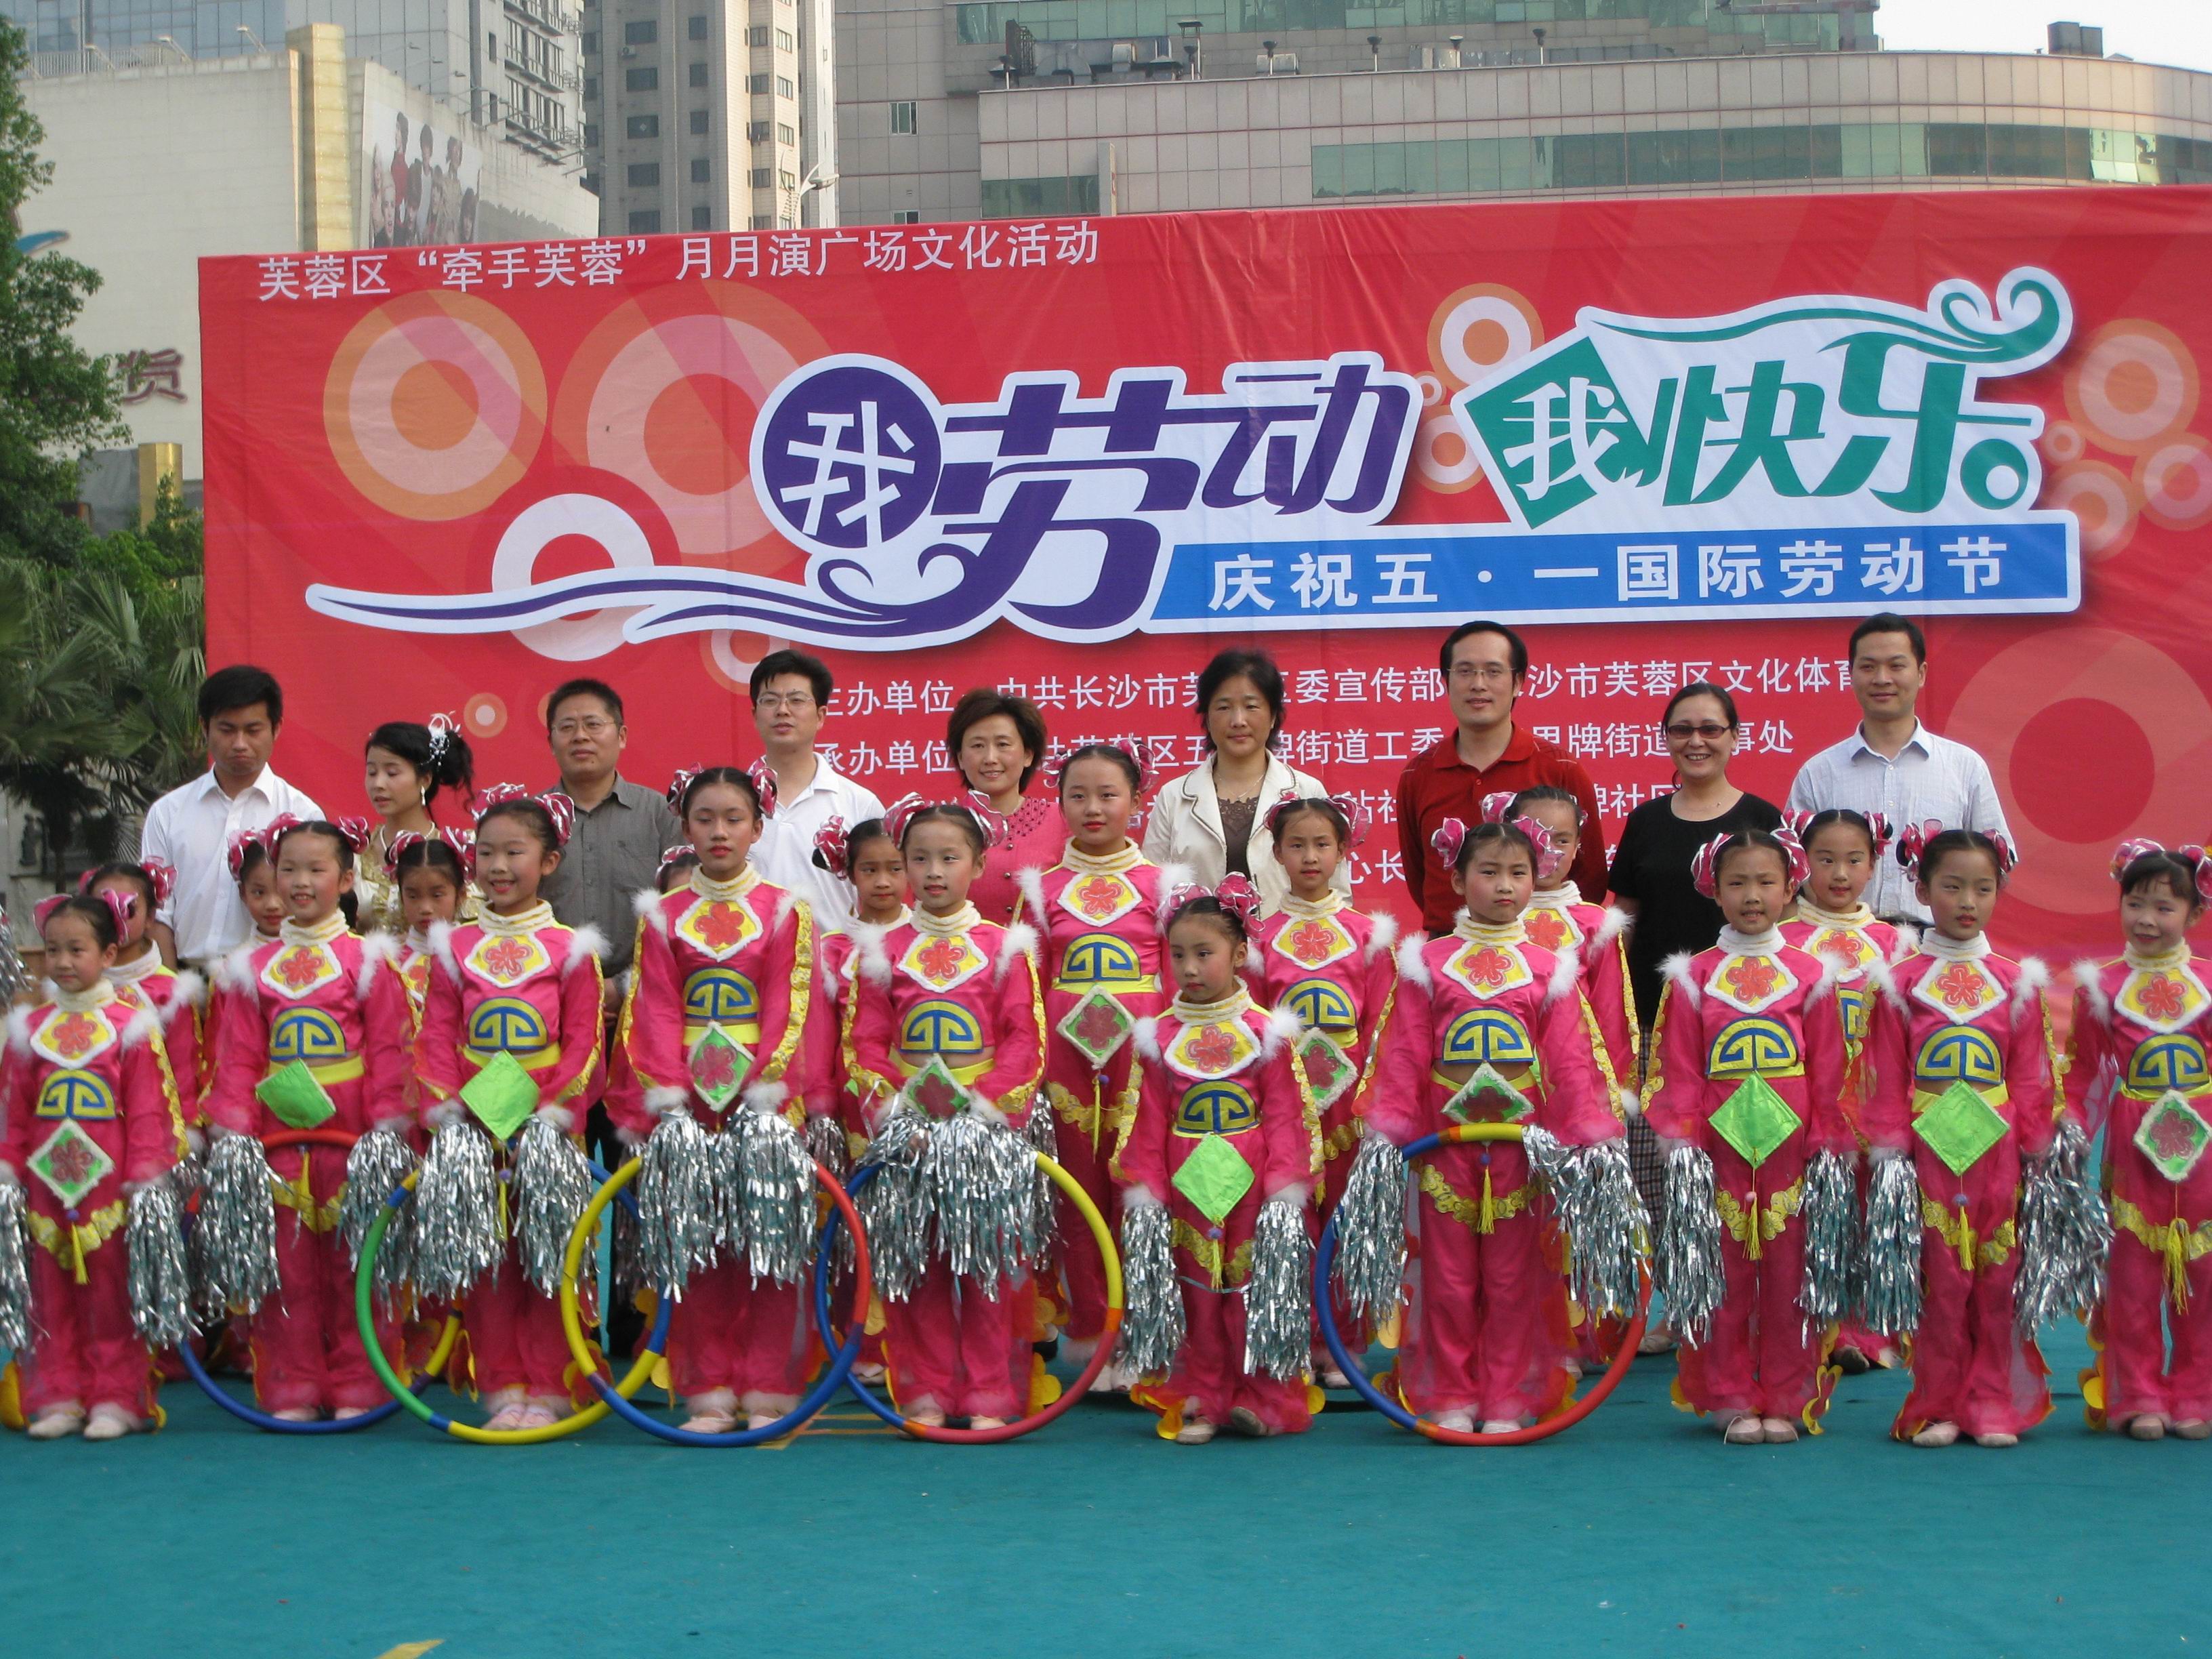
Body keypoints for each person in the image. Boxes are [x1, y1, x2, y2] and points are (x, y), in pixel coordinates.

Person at [1368, 815, 1623, 1433]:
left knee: (1514, 1280)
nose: (1504, 886)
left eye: (1518, 873)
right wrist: (1389, 1133)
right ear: (1458, 881)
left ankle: (1508, 1398)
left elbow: (1569, 1058)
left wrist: (1587, 1135)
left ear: (1536, 880)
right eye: (1489, 872)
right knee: (1449, 1280)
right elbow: (1404, 1051)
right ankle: (1451, 1394)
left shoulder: (1550, 966)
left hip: (1522, 1151)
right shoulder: (1426, 962)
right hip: (1443, 1148)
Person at [613, 766, 819, 1435]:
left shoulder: (786, 910)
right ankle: (708, 1390)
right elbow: (653, 1010)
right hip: (688, 1105)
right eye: (705, 819)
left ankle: (767, 1386)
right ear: (686, 828)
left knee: (767, 1246)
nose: (720, 831)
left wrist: (763, 1090)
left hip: (764, 1102)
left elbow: (790, 1008)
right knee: (697, 1247)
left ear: (758, 828)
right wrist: (674, 1096)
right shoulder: (663, 914)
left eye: (734, 818)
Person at [1643, 825, 1849, 1444]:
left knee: (1790, 1277)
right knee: (1724, 1275)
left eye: (1765, 882)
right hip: (1717, 1151)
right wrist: (1686, 1145)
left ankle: (1787, 1395)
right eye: (1737, 883)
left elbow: (1831, 1068)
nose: (1752, 896)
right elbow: (1677, 1068)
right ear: (1714, 890)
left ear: (1790, 889)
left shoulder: (1813, 974)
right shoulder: (1692, 976)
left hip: (1794, 1152)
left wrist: (1826, 1144)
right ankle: (1730, 1394)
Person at [845, 798, 1045, 1430]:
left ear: (978, 865)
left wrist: (978, 1113)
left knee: (986, 1264)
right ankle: (927, 1389)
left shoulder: (1005, 947)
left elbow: (1023, 1042)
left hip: (981, 1132)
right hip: (910, 1132)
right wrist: (901, 1112)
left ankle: (989, 1392)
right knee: (919, 1265)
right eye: (920, 859)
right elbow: (866, 1043)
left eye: (950, 858)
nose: (934, 872)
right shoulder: (883, 949)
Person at [205, 820, 413, 1422]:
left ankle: (360, 1384)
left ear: (345, 880)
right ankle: (292, 1384)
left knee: (356, 1262)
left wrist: (383, 1130)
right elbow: (238, 1056)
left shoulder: (368, 960)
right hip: (277, 1140)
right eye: (288, 869)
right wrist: (236, 1133)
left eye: (315, 870)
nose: (299, 882)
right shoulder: (249, 968)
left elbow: (389, 1051)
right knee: (287, 1266)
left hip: (352, 1136)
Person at [1862, 825, 2059, 1448]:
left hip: (1998, 1154)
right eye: (1952, 887)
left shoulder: (2016, 980)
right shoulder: (1898, 981)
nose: (1967, 902)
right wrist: (1893, 1154)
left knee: (1997, 1280)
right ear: (1922, 891)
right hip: (1928, 1152)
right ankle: (1940, 1402)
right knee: (1941, 1281)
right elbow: (1884, 1074)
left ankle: (1993, 1401)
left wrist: (2037, 1152)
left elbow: (2030, 1076)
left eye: (1983, 888)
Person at [415, 788, 605, 1431]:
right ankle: (502, 1385)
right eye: (486, 852)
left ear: (548, 861)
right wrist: (452, 1112)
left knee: (549, 1256)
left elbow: (583, 1046)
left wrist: (550, 1116)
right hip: (474, 1129)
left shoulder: (572, 948)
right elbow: (436, 1038)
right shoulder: (453, 947)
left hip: (547, 1130)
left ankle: (550, 1385)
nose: (497, 867)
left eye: (514, 853)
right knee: (488, 1258)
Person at [1606, 682, 1784, 1349]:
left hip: (1746, 1025)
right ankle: (1682, 1304)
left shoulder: (1763, 817)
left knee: (1742, 1166)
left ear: (1735, 737)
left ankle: (1750, 1305)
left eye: (1712, 728)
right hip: (1657, 1020)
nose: (1697, 741)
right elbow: (1625, 918)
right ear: (1666, 740)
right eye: (1682, 729)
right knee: (1661, 1168)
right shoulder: (1647, 820)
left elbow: (1787, 919)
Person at [1116, 878, 1318, 1443]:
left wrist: (1284, 1191)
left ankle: (1261, 1396)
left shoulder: (1265, 1033)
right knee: (1197, 1292)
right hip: (1186, 1179)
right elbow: (1145, 1118)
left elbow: (1288, 1115)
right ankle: (1204, 1396)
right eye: (1178, 955)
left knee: (1253, 1289)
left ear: (1240, 954)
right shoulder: (1158, 1036)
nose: (1189, 968)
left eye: (1204, 954)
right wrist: (1147, 1191)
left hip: (1253, 1179)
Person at [1012, 744, 1172, 1383]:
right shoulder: (1040, 888)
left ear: (1137, 801)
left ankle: (1147, 1336)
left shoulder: (1164, 885)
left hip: (1143, 1065)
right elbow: (1025, 989)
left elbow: (1183, 985)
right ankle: (1090, 1337)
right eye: (1077, 796)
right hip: (1066, 1064)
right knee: (1076, 1197)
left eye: (1109, 795)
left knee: (1142, 1192)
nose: (1093, 808)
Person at [2, 892, 188, 1438]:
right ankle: (58, 1395)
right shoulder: (28, 1028)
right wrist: (9, 1170)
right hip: (45, 1183)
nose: (62, 962)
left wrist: (145, 1179)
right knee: (50, 1290)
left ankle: (116, 1398)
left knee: (110, 1293)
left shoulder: (132, 1026)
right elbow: (14, 1110)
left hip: (110, 1186)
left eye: (76, 949)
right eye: (53, 950)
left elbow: (152, 1109)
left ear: (108, 954)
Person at [1248, 794, 1397, 1385]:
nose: (1310, 857)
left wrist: (1376, 1101)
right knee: (1290, 1218)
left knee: (1349, 1218)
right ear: (1276, 853)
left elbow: (1386, 1025)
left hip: (1351, 1102)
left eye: (1322, 845)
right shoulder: (1259, 937)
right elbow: (1252, 1025)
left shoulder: (1369, 935)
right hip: (1287, 1103)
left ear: (1343, 852)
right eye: (1296, 845)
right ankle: (1293, 1336)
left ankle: (1343, 1342)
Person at [2070, 841, 2212, 1440]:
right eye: (2135, 904)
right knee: (2131, 1277)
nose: (2147, 919)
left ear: (2195, 914)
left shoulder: (2208, 982)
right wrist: (2066, 1137)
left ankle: (2197, 1392)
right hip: (2133, 1148)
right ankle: (2139, 1395)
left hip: (2204, 1148)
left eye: (2164, 907)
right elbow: (2083, 1074)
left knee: (2203, 1276)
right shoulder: (2100, 986)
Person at [1778, 808, 1915, 1372]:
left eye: (1854, 860)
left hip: (1877, 1101)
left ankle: (1868, 1328)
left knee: (1871, 1212)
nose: (1839, 873)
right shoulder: (1783, 939)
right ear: (1800, 863)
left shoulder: (1895, 943)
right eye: (1825, 859)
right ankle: (1812, 1324)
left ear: (1874, 865)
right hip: (1808, 1100)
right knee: (1812, 1214)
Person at [1786, 613, 2013, 924]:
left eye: (1896, 666)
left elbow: (1996, 861)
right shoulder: (1819, 772)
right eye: (1868, 667)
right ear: (1851, 674)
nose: (1882, 679)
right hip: (1842, 940)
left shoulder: (1965, 766)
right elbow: (1793, 867)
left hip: (1937, 941)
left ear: (1921, 673)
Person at [1396, 622, 1604, 936]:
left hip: (1541, 947)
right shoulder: (1419, 774)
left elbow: (1590, 876)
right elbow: (1419, 877)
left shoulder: (1560, 769)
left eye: (1493, 672)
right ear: (1446, 681)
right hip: (1447, 949)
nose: (1478, 684)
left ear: (1518, 682)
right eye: (1465, 671)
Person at [139, 665, 322, 970]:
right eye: (227, 730)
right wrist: (171, 987)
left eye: (253, 730)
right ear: (205, 727)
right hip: (187, 977)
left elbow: (311, 909)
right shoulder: (167, 812)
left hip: (272, 977)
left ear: (276, 728)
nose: (239, 743)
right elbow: (158, 912)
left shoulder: (303, 815)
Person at [1142, 649, 1339, 915]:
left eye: (1251, 706)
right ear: (1207, 717)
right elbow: (1153, 892)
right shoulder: (1174, 796)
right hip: (1198, 940)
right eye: (1224, 707)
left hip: (1287, 940)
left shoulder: (1307, 791)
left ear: (1273, 716)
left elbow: (1336, 894)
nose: (1238, 721)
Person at [1508, 787, 1636, 1101]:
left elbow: (1610, 1013)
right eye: (1534, 836)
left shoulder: (1596, 924)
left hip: (1577, 1075)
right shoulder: (1485, 920)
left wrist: (1612, 1092)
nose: (1548, 850)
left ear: (1579, 846)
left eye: (1562, 840)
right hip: (1504, 1066)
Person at [747, 650, 884, 931]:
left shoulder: (859, 803)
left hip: (835, 954)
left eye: (797, 700)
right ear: (755, 715)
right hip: (748, 955)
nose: (783, 710)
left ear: (821, 716)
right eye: (770, 700)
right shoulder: (732, 803)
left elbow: (883, 892)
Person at [82, 861, 203, 1113]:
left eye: (127, 908)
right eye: (103, 908)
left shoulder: (172, 993)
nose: (114, 918)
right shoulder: (74, 988)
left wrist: (186, 1129)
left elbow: (184, 1072)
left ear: (150, 917)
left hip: (155, 1120)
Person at [946, 689, 1064, 923]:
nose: (990, 758)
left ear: (1028, 755)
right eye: (977, 746)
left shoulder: (1062, 821)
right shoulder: (941, 827)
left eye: (1003, 744)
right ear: (960, 758)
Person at [358, 716, 477, 933]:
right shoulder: (355, 856)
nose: (378, 784)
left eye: (392, 773)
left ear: (425, 779)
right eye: (372, 772)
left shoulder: (460, 853)